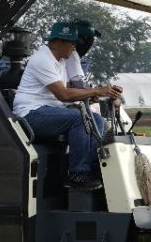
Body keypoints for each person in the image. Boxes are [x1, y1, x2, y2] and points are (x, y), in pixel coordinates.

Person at [11, 21, 122, 191]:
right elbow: (63, 94)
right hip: (31, 114)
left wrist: (95, 94)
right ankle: (77, 175)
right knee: (79, 119)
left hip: (48, 110)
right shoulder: (42, 59)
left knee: (97, 119)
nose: (74, 48)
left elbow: (68, 90)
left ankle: (92, 168)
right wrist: (96, 91)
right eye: (72, 43)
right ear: (58, 42)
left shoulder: (59, 60)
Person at [65, 20, 101, 89]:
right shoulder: (72, 55)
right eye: (91, 39)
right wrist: (97, 90)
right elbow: (79, 83)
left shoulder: (73, 55)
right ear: (85, 38)